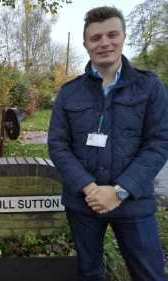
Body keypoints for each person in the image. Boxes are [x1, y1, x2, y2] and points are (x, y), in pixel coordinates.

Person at [48, 6, 168, 281]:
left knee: (150, 275)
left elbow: (159, 143)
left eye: (112, 35)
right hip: (83, 203)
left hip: (133, 201)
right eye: (96, 38)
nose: (104, 43)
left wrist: (120, 191)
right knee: (89, 273)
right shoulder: (69, 92)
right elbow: (57, 144)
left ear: (124, 37)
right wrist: (90, 189)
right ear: (86, 45)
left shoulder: (149, 87)